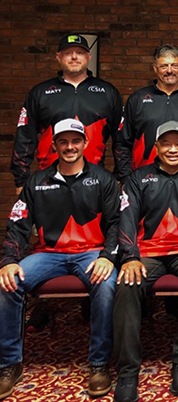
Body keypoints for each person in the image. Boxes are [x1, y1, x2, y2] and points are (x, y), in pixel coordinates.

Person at [0, 118, 120, 400]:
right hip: (48, 254)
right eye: (63, 142)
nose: (70, 147)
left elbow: (117, 223)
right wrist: (8, 261)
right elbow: (17, 225)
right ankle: (9, 364)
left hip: (91, 253)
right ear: (54, 145)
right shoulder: (36, 182)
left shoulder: (103, 179)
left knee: (106, 286)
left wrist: (108, 257)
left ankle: (100, 364)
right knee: (7, 282)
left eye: (75, 141)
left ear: (85, 143)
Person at [112, 121, 178, 402]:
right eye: (166, 144)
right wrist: (130, 257)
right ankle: (127, 371)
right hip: (147, 253)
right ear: (155, 147)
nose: (173, 149)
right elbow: (126, 219)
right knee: (126, 286)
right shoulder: (137, 178)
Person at [11, 34, 122, 194]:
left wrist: (120, 177)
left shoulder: (108, 92)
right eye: (68, 53)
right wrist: (21, 180)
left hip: (94, 183)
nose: (74, 57)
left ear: (89, 57)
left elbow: (121, 139)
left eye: (80, 52)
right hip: (49, 182)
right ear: (58, 57)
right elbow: (24, 138)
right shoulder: (40, 93)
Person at [114, 45, 178, 181]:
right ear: (155, 68)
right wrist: (126, 178)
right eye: (164, 66)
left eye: (174, 65)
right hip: (143, 180)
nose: (169, 71)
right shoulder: (137, 99)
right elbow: (122, 143)